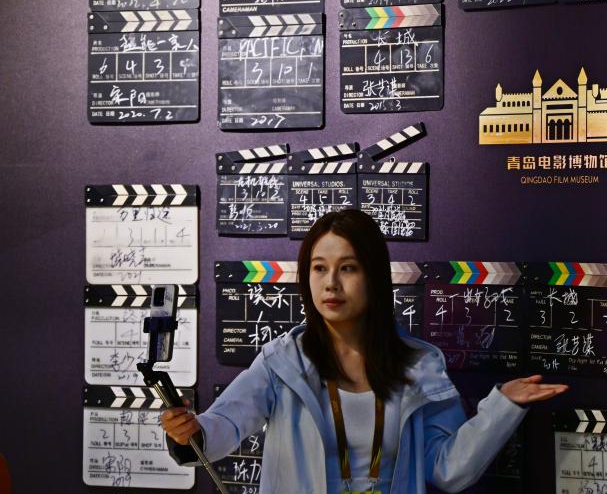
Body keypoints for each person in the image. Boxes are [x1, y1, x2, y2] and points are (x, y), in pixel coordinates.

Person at [161, 209, 568, 493]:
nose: (331, 283)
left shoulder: (420, 365)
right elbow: (224, 424)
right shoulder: (281, 362)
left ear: (373, 275)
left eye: (348, 267)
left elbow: (448, 469)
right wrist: (190, 432)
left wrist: (503, 406)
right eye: (319, 268)